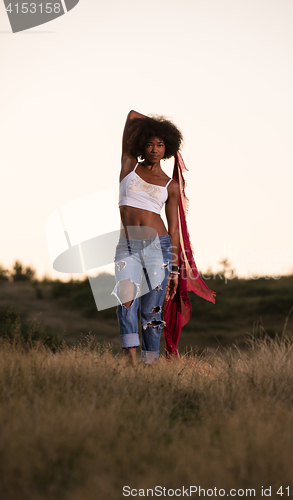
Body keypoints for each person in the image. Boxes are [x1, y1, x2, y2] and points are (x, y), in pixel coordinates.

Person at [111, 110, 182, 366]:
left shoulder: (170, 184)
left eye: (161, 144)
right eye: (150, 143)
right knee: (125, 300)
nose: (155, 149)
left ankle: (149, 365)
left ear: (168, 149)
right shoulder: (129, 165)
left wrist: (174, 270)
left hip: (158, 247)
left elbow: (174, 230)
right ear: (142, 145)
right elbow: (131, 116)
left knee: (151, 311)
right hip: (127, 246)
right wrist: (153, 125)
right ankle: (131, 363)